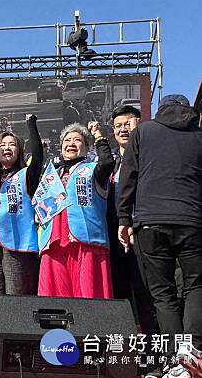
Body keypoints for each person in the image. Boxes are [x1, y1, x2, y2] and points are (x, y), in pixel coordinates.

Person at [118, 95, 202, 378]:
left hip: (150, 222)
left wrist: (123, 218)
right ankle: (193, 351)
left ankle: (175, 361)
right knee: (195, 287)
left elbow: (128, 175)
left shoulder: (143, 132)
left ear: (159, 110)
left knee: (163, 295)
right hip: (193, 221)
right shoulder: (199, 135)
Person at [106, 105, 160, 376]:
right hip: (115, 241)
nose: (123, 129)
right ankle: (124, 360)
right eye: (118, 126)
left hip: (142, 235)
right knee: (120, 299)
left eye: (128, 123)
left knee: (146, 298)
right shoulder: (111, 164)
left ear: (140, 125)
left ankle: (153, 359)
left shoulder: (151, 158)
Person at [37, 122, 115, 298]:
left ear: (87, 148)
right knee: (54, 299)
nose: (71, 143)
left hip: (85, 242)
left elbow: (107, 162)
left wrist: (98, 136)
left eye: (77, 140)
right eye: (67, 140)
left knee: (88, 297)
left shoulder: (93, 170)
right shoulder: (51, 174)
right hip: (54, 242)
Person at [0, 114, 43, 296]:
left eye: (13, 145)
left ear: (20, 151)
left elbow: (37, 158)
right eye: (3, 145)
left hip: (18, 247)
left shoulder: (26, 175)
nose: (7, 148)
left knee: (17, 301)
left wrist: (31, 124)